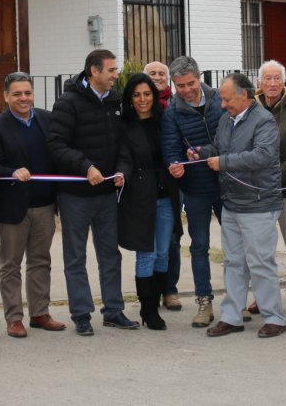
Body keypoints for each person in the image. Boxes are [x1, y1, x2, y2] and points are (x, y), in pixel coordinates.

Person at [47, 49, 135, 336]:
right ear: (94, 71)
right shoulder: (67, 102)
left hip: (108, 194)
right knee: (75, 258)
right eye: (111, 70)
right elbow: (56, 145)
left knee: (110, 255)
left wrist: (122, 169)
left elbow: (123, 144)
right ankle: (81, 314)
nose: (115, 75)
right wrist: (86, 167)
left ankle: (113, 310)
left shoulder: (114, 101)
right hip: (75, 196)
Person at [198, 73, 286, 338]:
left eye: (227, 99)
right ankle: (232, 316)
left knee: (260, 263)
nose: (223, 105)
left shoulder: (264, 121)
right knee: (233, 262)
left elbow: (263, 156)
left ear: (244, 96)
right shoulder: (226, 120)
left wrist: (222, 163)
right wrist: (204, 152)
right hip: (232, 202)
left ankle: (274, 318)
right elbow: (220, 147)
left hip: (258, 202)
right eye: (222, 100)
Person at [0, 72, 67, 338]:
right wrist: (11, 172)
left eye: (28, 93)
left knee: (40, 261)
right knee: (10, 263)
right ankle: (13, 318)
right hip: (12, 208)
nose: (24, 98)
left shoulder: (47, 119)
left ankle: (40, 313)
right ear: (6, 96)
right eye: (17, 94)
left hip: (44, 205)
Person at [162, 56, 224, 327]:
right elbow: (171, 148)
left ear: (200, 77)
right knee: (199, 246)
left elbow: (231, 139)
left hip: (227, 183)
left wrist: (208, 152)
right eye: (180, 86)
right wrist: (174, 165)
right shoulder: (171, 113)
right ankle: (204, 302)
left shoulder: (222, 99)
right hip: (195, 188)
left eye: (190, 83)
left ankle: (238, 300)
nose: (186, 90)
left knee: (235, 245)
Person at [246, 60, 286, 318]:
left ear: (284, 82)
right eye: (267, 78)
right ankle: (264, 297)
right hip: (258, 191)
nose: (271, 83)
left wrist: (276, 178)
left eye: (276, 79)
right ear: (260, 82)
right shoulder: (250, 109)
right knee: (262, 249)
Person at [119, 73, 180, 330]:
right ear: (130, 99)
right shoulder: (123, 125)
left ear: (154, 97)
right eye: (136, 95)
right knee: (147, 253)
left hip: (166, 196)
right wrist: (122, 174)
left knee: (164, 253)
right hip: (139, 197)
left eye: (147, 94)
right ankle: (148, 309)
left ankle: (155, 302)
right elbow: (122, 157)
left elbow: (174, 150)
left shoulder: (164, 121)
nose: (142, 99)